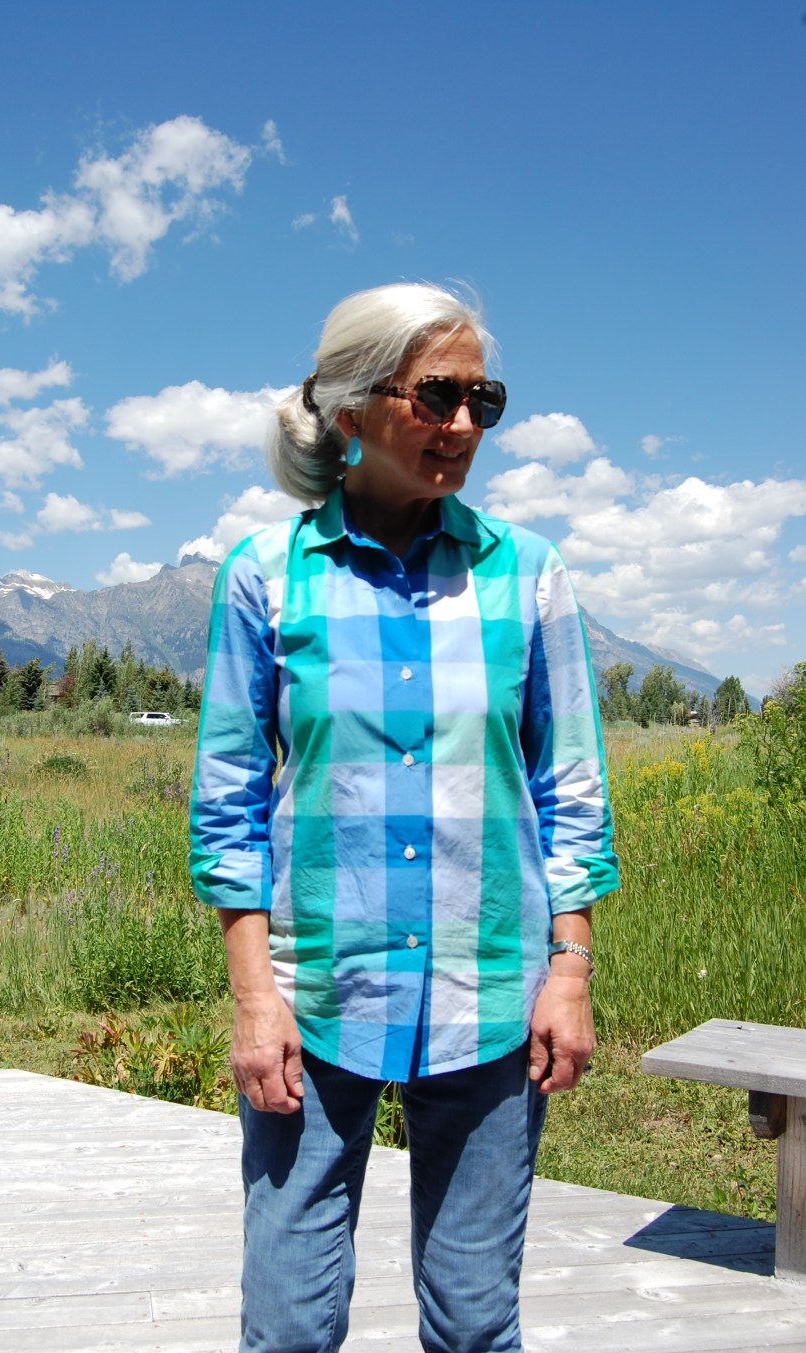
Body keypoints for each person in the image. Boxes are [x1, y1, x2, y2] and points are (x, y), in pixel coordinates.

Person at [189, 282, 618, 1353]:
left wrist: (569, 972)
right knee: (289, 1327)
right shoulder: (264, 577)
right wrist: (254, 998)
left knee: (474, 1322)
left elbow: (570, 787)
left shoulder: (527, 574)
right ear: (350, 408)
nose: (463, 423)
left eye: (483, 399)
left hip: (490, 995)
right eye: (436, 396)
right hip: (315, 997)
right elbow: (227, 804)